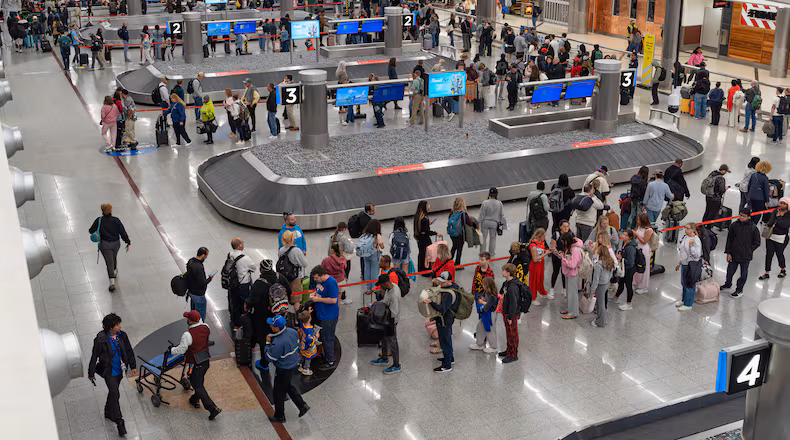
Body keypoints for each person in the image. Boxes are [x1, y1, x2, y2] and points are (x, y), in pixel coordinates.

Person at [88, 313, 136, 436]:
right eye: (117, 324)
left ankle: (108, 411)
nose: (120, 326)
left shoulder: (122, 335)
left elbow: (129, 350)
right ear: (111, 327)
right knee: (115, 393)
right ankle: (119, 422)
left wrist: (133, 365)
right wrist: (91, 372)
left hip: (120, 370)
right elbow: (94, 356)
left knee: (113, 393)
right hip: (108, 371)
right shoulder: (100, 339)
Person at [169, 310, 222, 419]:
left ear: (191, 321)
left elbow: (181, 350)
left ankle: (212, 408)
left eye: (188, 318)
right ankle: (194, 399)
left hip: (195, 364)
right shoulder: (206, 327)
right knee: (199, 382)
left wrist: (172, 350)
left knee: (197, 385)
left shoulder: (187, 335)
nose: (187, 320)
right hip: (205, 361)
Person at [263, 314, 310, 423]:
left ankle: (279, 416)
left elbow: (269, 357)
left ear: (277, 328)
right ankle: (302, 406)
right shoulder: (292, 331)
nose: (270, 326)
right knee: (288, 386)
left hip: (283, 369)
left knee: (278, 392)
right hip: (293, 364)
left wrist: (268, 343)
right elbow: (297, 346)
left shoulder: (278, 343)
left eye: (272, 325)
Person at [88, 204, 130, 292]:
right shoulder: (116, 220)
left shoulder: (99, 220)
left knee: (109, 262)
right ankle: (114, 270)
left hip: (105, 245)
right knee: (113, 257)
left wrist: (99, 231)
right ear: (110, 211)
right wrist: (127, 241)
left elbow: (90, 231)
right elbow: (122, 232)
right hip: (116, 244)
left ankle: (112, 283)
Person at [721, 208, 761, 298]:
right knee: (730, 271)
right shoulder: (734, 225)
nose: (741, 217)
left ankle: (739, 290)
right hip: (734, 254)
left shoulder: (753, 228)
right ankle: (728, 284)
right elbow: (729, 240)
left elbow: (757, 242)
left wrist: (749, 250)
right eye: (740, 215)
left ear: (749, 217)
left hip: (746, 256)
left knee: (743, 274)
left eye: (744, 216)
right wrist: (728, 252)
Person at [369, 274, 402, 374]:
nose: (381, 287)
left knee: (393, 342)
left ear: (386, 283)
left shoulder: (394, 294)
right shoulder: (391, 287)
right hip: (385, 320)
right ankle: (384, 358)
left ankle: (396, 365)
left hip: (390, 321)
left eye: (381, 285)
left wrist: (380, 312)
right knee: (383, 337)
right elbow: (385, 296)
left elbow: (393, 313)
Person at [309, 265, 340, 369]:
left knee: (328, 338)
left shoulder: (331, 283)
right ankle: (327, 355)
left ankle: (330, 361)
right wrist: (314, 294)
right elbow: (320, 292)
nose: (315, 280)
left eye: (316, 277)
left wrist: (317, 300)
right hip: (321, 313)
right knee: (323, 336)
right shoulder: (320, 282)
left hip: (329, 316)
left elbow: (333, 300)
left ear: (322, 275)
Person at [425, 273, 456, 373]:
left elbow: (442, 308)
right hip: (448, 319)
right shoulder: (454, 287)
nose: (440, 284)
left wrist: (431, 302)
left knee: (444, 341)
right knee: (447, 339)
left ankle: (447, 366)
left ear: (448, 281)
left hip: (444, 320)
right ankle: (450, 358)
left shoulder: (448, 294)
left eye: (442, 282)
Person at [227, 238, 256, 329]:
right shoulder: (245, 258)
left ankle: (235, 323)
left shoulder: (230, 255)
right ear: (239, 246)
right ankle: (244, 324)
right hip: (243, 284)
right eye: (242, 243)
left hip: (232, 284)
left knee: (235, 304)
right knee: (244, 304)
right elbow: (254, 268)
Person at [759, 198, 790, 280]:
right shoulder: (775, 211)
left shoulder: (788, 214)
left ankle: (783, 269)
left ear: (787, 205)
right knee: (769, 254)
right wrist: (777, 218)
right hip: (770, 236)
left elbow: (785, 225)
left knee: (779, 254)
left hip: (781, 238)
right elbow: (770, 223)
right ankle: (766, 272)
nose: (782, 205)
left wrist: (778, 218)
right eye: (781, 203)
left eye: (784, 203)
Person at [676, 223, 703, 311]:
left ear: (692, 230)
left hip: (690, 265)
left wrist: (691, 247)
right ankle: (684, 300)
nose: (685, 230)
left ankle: (688, 304)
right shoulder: (685, 237)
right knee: (684, 283)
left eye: (687, 228)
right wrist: (679, 263)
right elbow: (682, 251)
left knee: (689, 285)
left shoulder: (696, 240)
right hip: (684, 263)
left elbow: (697, 255)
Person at [499, 263, 522, 363]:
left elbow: (514, 303)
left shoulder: (512, 287)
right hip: (507, 312)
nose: (502, 272)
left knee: (512, 334)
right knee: (508, 333)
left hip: (511, 314)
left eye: (503, 270)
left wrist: (510, 317)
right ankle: (509, 350)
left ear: (508, 273)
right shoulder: (507, 283)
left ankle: (513, 355)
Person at [470, 274, 498, 353]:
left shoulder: (492, 296)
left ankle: (493, 346)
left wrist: (482, 302)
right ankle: (480, 344)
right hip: (485, 314)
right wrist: (483, 301)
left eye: (483, 284)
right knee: (480, 327)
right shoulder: (486, 291)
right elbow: (481, 298)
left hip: (490, 314)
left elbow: (487, 306)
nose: (482, 285)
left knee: (490, 330)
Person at [558, 232, 583, 319]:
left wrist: (563, 259)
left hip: (573, 274)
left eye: (563, 241)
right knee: (569, 294)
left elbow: (572, 265)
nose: (562, 243)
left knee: (573, 294)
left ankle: (573, 312)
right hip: (569, 273)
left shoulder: (575, 250)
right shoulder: (571, 248)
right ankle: (570, 309)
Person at [185, 247, 214, 321]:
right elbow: (202, 283)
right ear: (203, 255)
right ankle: (200, 329)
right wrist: (210, 278)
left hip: (191, 292)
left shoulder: (190, 261)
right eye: (206, 255)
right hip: (199, 295)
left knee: (193, 315)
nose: (206, 257)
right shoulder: (199, 267)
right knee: (200, 317)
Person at [612, 229, 638, 310]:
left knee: (628, 285)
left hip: (629, 269)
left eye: (625, 235)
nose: (623, 236)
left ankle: (629, 303)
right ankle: (616, 297)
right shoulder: (625, 243)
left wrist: (621, 257)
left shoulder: (630, 248)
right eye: (623, 234)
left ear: (629, 237)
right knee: (621, 282)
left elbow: (630, 262)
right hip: (625, 268)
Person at [591, 245, 615, 328]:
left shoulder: (598, 265)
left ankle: (600, 322)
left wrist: (592, 290)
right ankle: (603, 319)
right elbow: (611, 274)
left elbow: (596, 279)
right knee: (602, 303)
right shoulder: (610, 261)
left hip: (600, 285)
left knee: (600, 303)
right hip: (606, 283)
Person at [414, 200, 440, 272]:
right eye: (428, 205)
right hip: (425, 238)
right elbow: (427, 231)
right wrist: (436, 233)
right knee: (427, 253)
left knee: (421, 252)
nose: (429, 207)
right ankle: (426, 268)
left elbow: (421, 227)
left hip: (419, 237)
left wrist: (428, 224)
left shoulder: (417, 216)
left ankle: (420, 268)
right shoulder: (424, 218)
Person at [359, 219, 385, 290]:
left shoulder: (364, 234)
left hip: (365, 254)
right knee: (374, 271)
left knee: (367, 270)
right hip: (374, 254)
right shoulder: (377, 235)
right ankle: (374, 287)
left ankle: (368, 287)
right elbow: (382, 246)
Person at [447, 197, 473, 267]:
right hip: (459, 234)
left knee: (454, 246)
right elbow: (469, 223)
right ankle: (457, 264)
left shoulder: (452, 213)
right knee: (459, 249)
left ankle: (448, 262)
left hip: (452, 234)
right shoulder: (463, 214)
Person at [632, 214, 653, 296]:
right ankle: (636, 282)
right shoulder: (639, 227)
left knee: (644, 268)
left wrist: (636, 234)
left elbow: (644, 241)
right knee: (636, 267)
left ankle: (643, 286)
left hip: (644, 250)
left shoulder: (649, 230)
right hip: (636, 248)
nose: (637, 221)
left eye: (639, 220)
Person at [479, 187, 505, 256]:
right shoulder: (499, 203)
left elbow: (481, 214)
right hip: (494, 222)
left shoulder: (485, 202)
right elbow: (502, 215)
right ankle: (491, 253)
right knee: (493, 239)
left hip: (485, 222)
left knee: (483, 238)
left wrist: (478, 223)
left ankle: (482, 253)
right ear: (496, 194)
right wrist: (502, 225)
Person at [748, 160, 772, 224]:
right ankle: (753, 227)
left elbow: (749, 185)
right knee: (758, 214)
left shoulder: (753, 175)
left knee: (752, 212)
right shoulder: (765, 178)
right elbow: (766, 190)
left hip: (751, 196)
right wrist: (767, 200)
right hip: (760, 199)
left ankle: (749, 225)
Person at [297, 310, 319, 376]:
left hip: (301, 343)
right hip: (307, 347)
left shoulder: (302, 324)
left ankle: (299, 365)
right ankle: (306, 369)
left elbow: (303, 319)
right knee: (308, 358)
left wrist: (307, 313)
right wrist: (316, 336)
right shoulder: (309, 330)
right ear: (309, 319)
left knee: (301, 355)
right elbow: (309, 340)